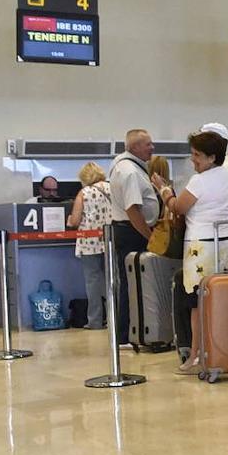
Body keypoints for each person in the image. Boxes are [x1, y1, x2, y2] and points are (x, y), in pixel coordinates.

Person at [152, 131, 228, 376]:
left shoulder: (199, 181)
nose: (193, 160)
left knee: (197, 301)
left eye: (196, 156)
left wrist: (164, 191)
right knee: (223, 297)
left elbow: (178, 207)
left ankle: (196, 354)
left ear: (211, 157)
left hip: (200, 245)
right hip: (227, 244)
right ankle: (225, 349)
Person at [108, 128, 159, 346]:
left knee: (132, 282)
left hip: (130, 230)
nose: (152, 148)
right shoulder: (129, 171)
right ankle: (125, 334)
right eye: (148, 144)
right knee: (131, 283)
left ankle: (131, 331)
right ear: (135, 147)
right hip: (132, 231)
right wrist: (150, 237)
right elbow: (133, 210)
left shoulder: (128, 167)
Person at [66, 162, 113, 329]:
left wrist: (69, 220)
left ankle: (95, 321)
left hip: (89, 243)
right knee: (113, 280)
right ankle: (115, 318)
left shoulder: (84, 193)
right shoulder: (112, 188)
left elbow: (75, 220)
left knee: (93, 282)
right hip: (110, 240)